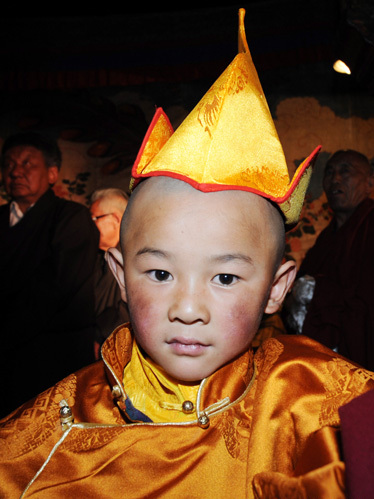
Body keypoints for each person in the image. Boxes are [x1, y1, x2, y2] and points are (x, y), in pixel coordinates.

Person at [0, 10, 373, 498]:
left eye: (224, 279)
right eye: (159, 273)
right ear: (118, 272)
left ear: (277, 288)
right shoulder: (50, 428)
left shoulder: (318, 400)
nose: (188, 310)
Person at [0, 131, 99, 417]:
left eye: (28, 163)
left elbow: (56, 287)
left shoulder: (71, 218)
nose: (16, 171)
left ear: (53, 173)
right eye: (9, 164)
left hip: (50, 357)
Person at [287, 149, 374, 370]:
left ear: (370, 182)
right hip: (331, 353)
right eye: (329, 172)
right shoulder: (327, 237)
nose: (335, 179)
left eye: (346, 171)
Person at [90, 188, 130, 350]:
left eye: (95, 218)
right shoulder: (97, 256)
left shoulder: (133, 255)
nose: (90, 224)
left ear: (115, 219)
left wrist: (100, 334)